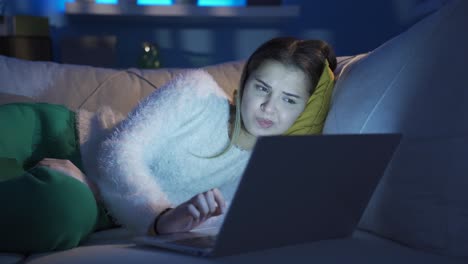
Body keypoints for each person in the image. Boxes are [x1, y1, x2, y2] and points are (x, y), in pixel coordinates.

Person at [0, 36, 336, 253]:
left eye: (290, 99)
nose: (269, 107)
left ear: (307, 110)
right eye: (262, 88)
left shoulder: (266, 177)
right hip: (57, 133)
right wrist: (158, 215)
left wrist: (103, 198)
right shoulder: (198, 92)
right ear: (245, 83)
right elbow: (120, 150)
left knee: (61, 210)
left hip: (86, 201)